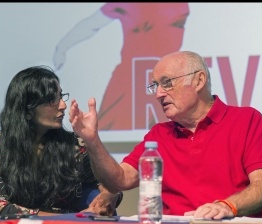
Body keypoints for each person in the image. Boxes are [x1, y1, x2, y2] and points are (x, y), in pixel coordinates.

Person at [68, 51, 262, 219]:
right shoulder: (159, 135)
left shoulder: (246, 120)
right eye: (155, 86)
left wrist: (227, 206)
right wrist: (92, 140)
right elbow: (119, 180)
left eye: (167, 82)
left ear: (198, 81)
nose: (159, 94)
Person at [0, 65, 123, 217]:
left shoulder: (75, 145)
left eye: (60, 96)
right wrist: (66, 219)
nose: (63, 105)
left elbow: (107, 184)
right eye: (52, 100)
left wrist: (110, 194)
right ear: (26, 109)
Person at [53, 3, 190, 130]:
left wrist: (62, 48)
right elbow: (92, 24)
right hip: (130, 79)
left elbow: (92, 24)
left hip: (165, 79)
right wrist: (62, 47)